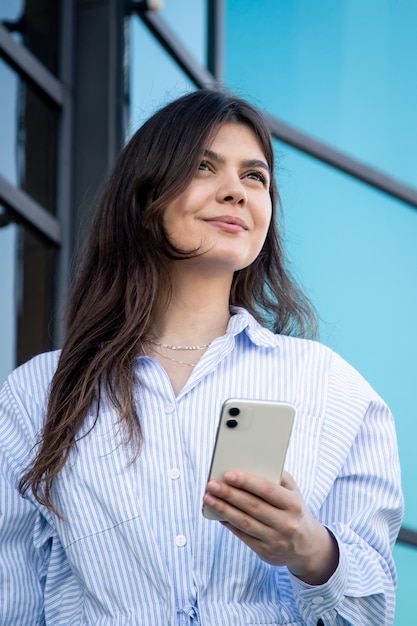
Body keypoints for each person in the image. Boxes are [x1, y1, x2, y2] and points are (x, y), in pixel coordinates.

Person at [0, 89, 403, 626]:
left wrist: (310, 551)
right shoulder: (37, 394)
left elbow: (373, 615)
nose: (236, 191)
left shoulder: (334, 390)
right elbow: (14, 602)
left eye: (254, 177)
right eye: (204, 167)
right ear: (146, 199)